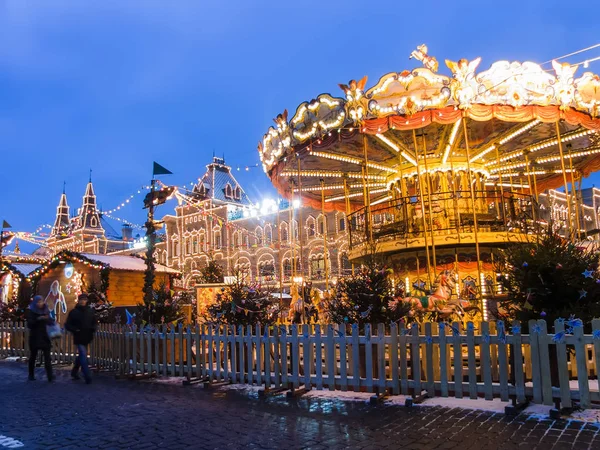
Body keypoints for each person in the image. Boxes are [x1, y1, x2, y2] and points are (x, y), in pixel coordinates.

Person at [65, 293, 97, 384]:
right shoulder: (74, 312)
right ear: (78, 301)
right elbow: (68, 325)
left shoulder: (90, 311)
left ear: (86, 301)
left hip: (87, 336)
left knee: (81, 355)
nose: (83, 301)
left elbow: (94, 322)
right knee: (83, 354)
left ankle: (74, 372)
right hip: (78, 336)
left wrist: (93, 328)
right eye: (81, 300)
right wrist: (75, 329)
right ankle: (87, 374)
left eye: (84, 299)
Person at [26, 295, 55, 382]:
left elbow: (50, 321)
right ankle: (31, 374)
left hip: (45, 336)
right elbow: (29, 324)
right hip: (35, 337)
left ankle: (50, 375)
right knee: (33, 356)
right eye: (38, 302)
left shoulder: (46, 310)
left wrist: (47, 319)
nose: (40, 303)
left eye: (41, 301)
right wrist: (38, 319)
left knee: (47, 357)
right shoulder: (31, 311)